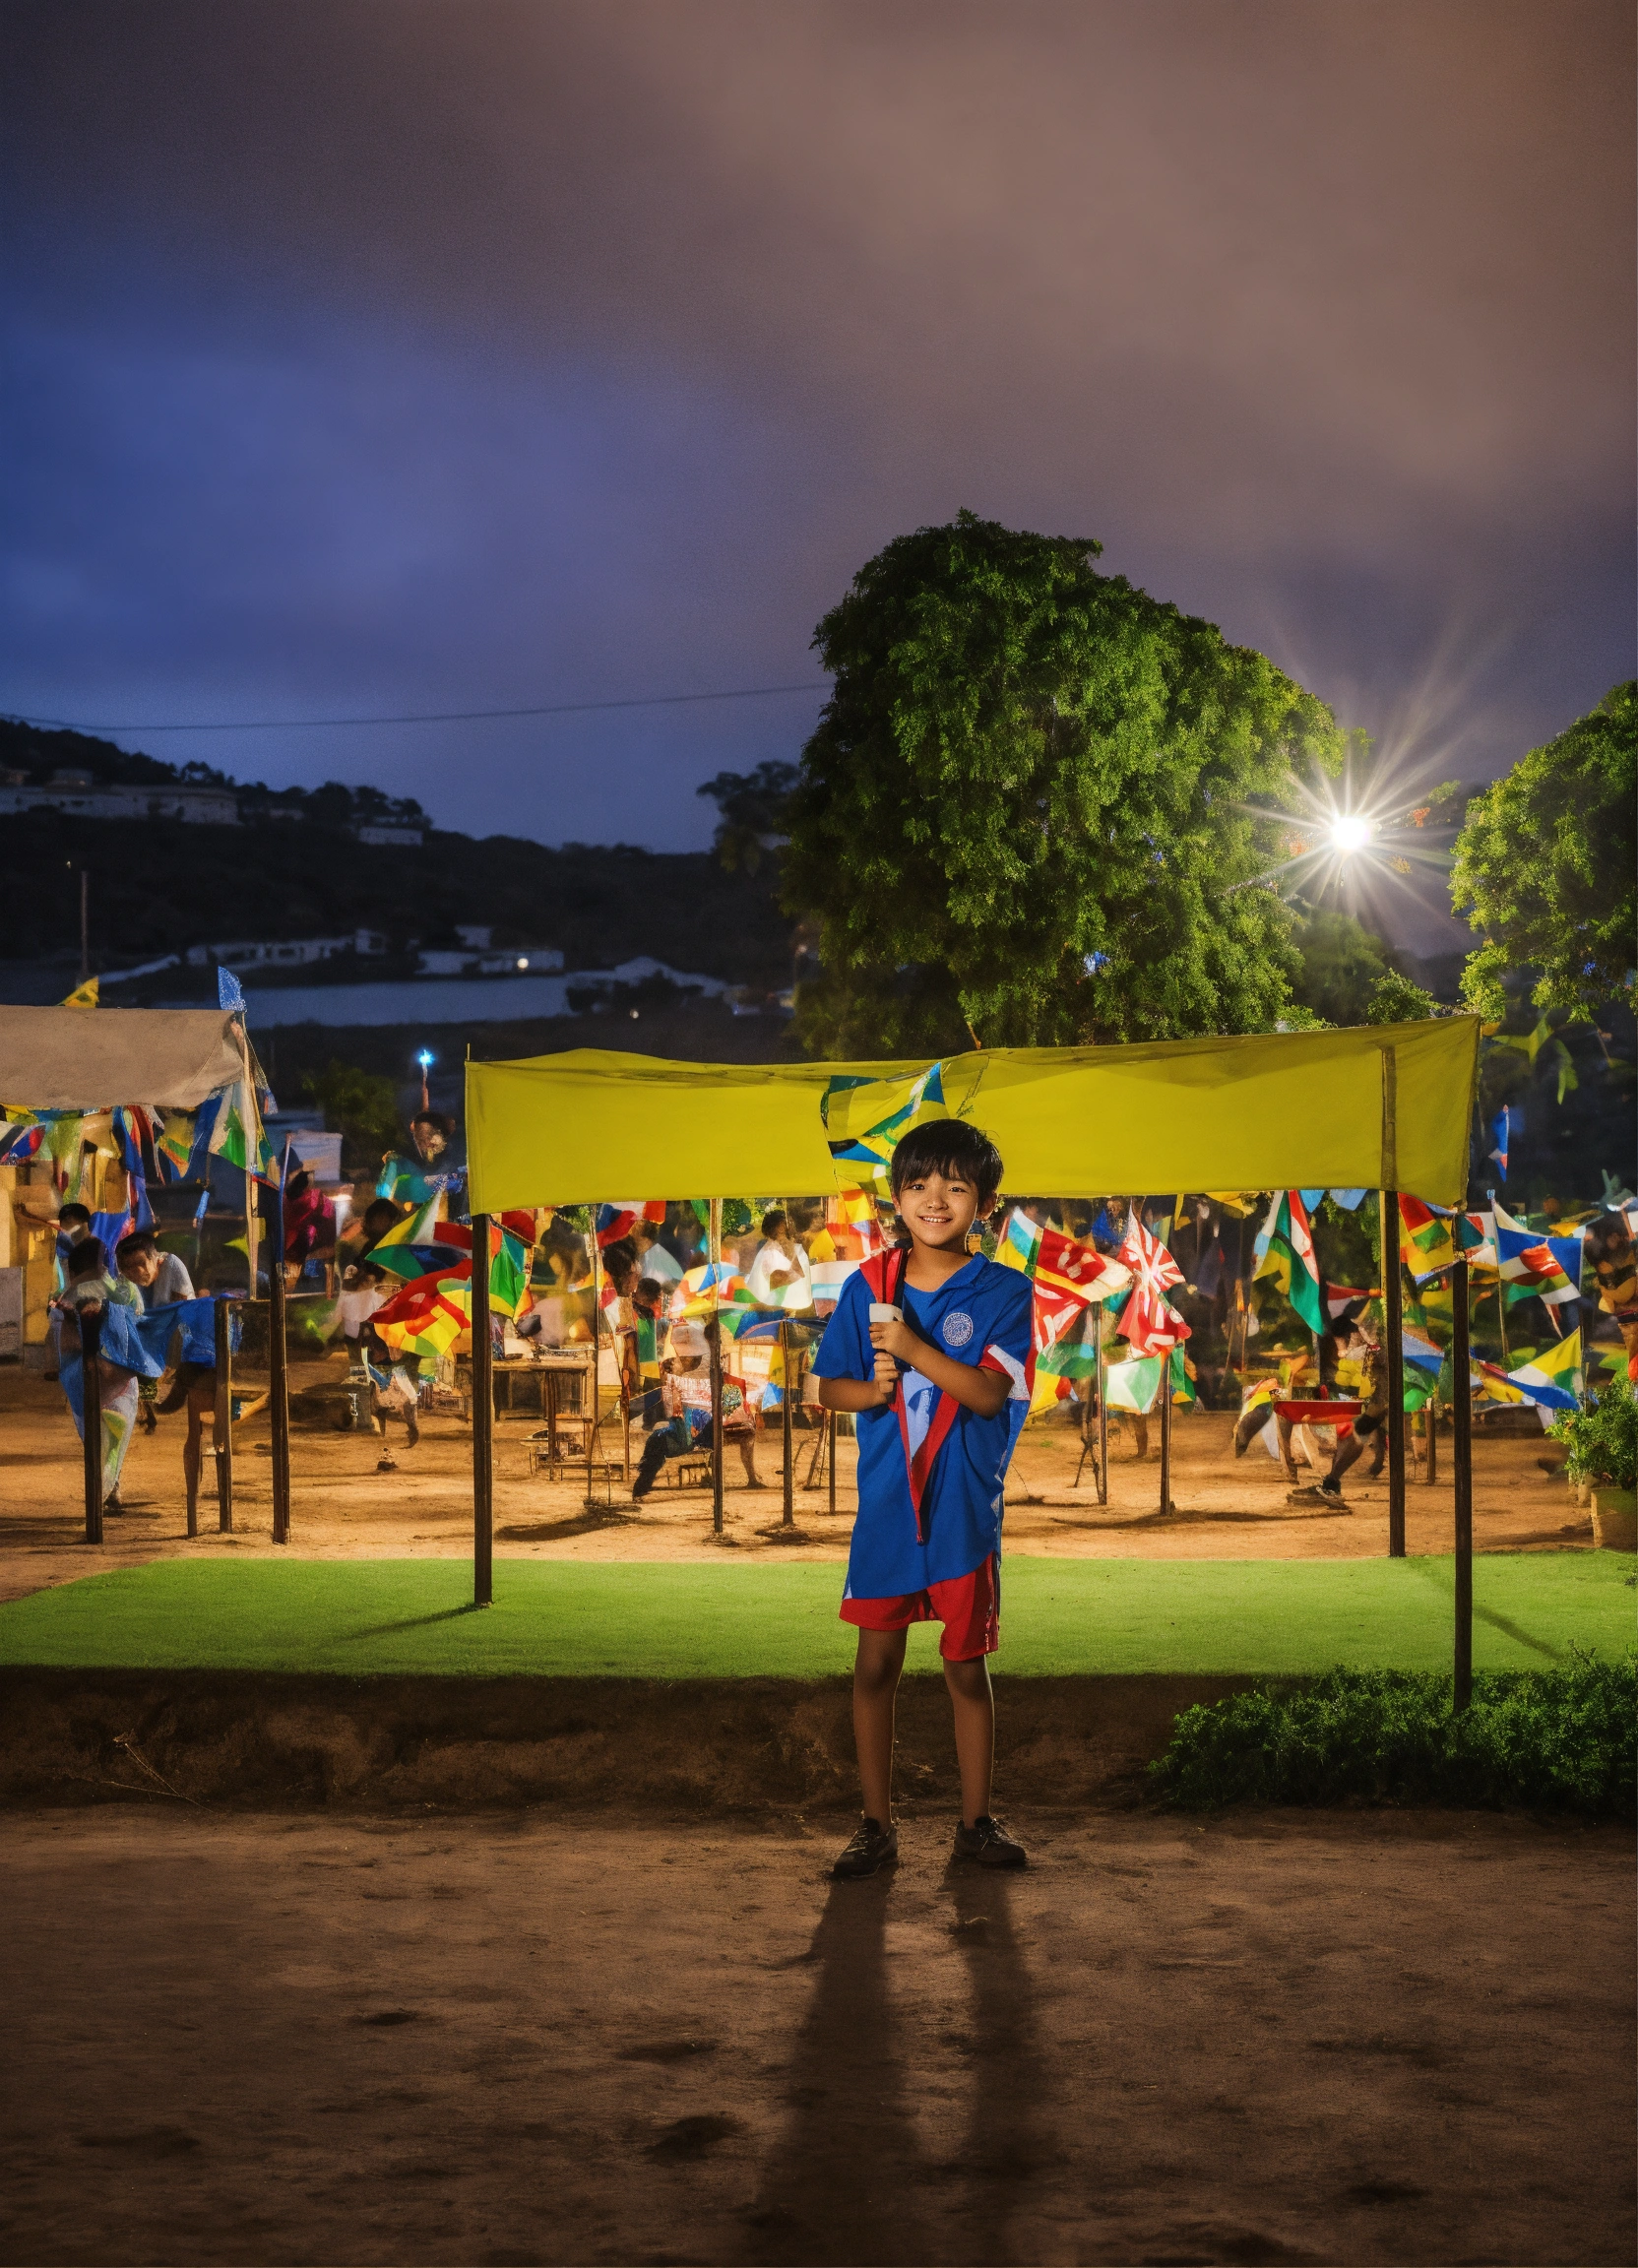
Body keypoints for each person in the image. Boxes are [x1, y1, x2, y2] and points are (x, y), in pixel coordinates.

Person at [812, 1117, 1033, 1878]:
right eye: (918, 1184)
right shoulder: (866, 1286)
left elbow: (987, 1394)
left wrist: (910, 1349)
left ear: (985, 1205)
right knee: (875, 1667)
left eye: (956, 1186)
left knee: (965, 1669)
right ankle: (875, 1825)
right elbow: (828, 1389)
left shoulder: (1004, 1291)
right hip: (887, 1514)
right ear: (897, 1198)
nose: (935, 1199)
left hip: (963, 1513)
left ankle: (976, 1825)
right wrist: (868, 1390)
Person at [52, 1237, 160, 1515]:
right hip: (120, 1381)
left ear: (73, 1270)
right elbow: (136, 1328)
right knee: (113, 1440)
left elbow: (61, 1340)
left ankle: (103, 1493)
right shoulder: (124, 1290)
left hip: (86, 1379)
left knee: (95, 1439)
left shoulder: (70, 1295)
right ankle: (109, 1489)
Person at [745, 1209, 813, 1310]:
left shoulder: (796, 1250)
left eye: (785, 1233)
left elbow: (804, 1277)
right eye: (778, 1233)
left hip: (799, 1306)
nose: (783, 1238)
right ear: (771, 1234)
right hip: (775, 1308)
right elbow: (768, 1287)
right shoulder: (768, 1253)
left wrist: (791, 1253)